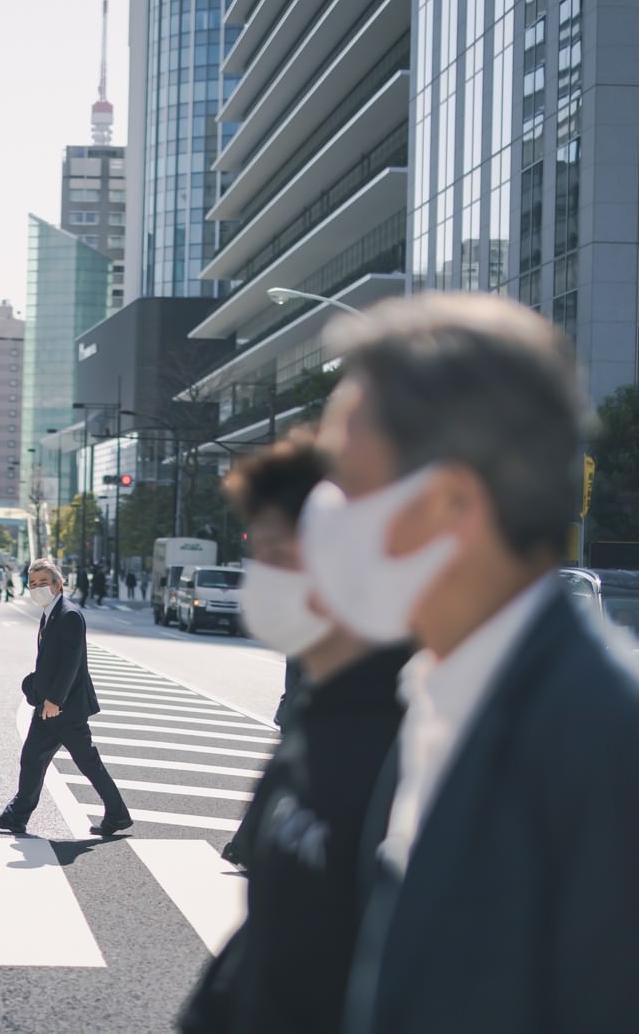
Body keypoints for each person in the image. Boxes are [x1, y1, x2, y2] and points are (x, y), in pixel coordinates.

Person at [297, 294, 639, 1033]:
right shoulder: (436, 689)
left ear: (452, 502)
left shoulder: (612, 738)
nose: (324, 510)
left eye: (348, 478)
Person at [181, 431, 410, 1034]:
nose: (262, 579)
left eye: (280, 555)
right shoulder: (316, 719)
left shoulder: (421, 739)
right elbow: (270, 937)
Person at [0, 557, 132, 837]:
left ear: (58, 584)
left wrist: (54, 700)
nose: (37, 588)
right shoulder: (51, 612)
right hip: (49, 706)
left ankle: (118, 815)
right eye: (33, 584)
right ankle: (17, 816)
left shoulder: (69, 614)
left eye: (43, 583)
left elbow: (70, 664)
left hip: (64, 708)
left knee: (87, 763)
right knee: (32, 758)